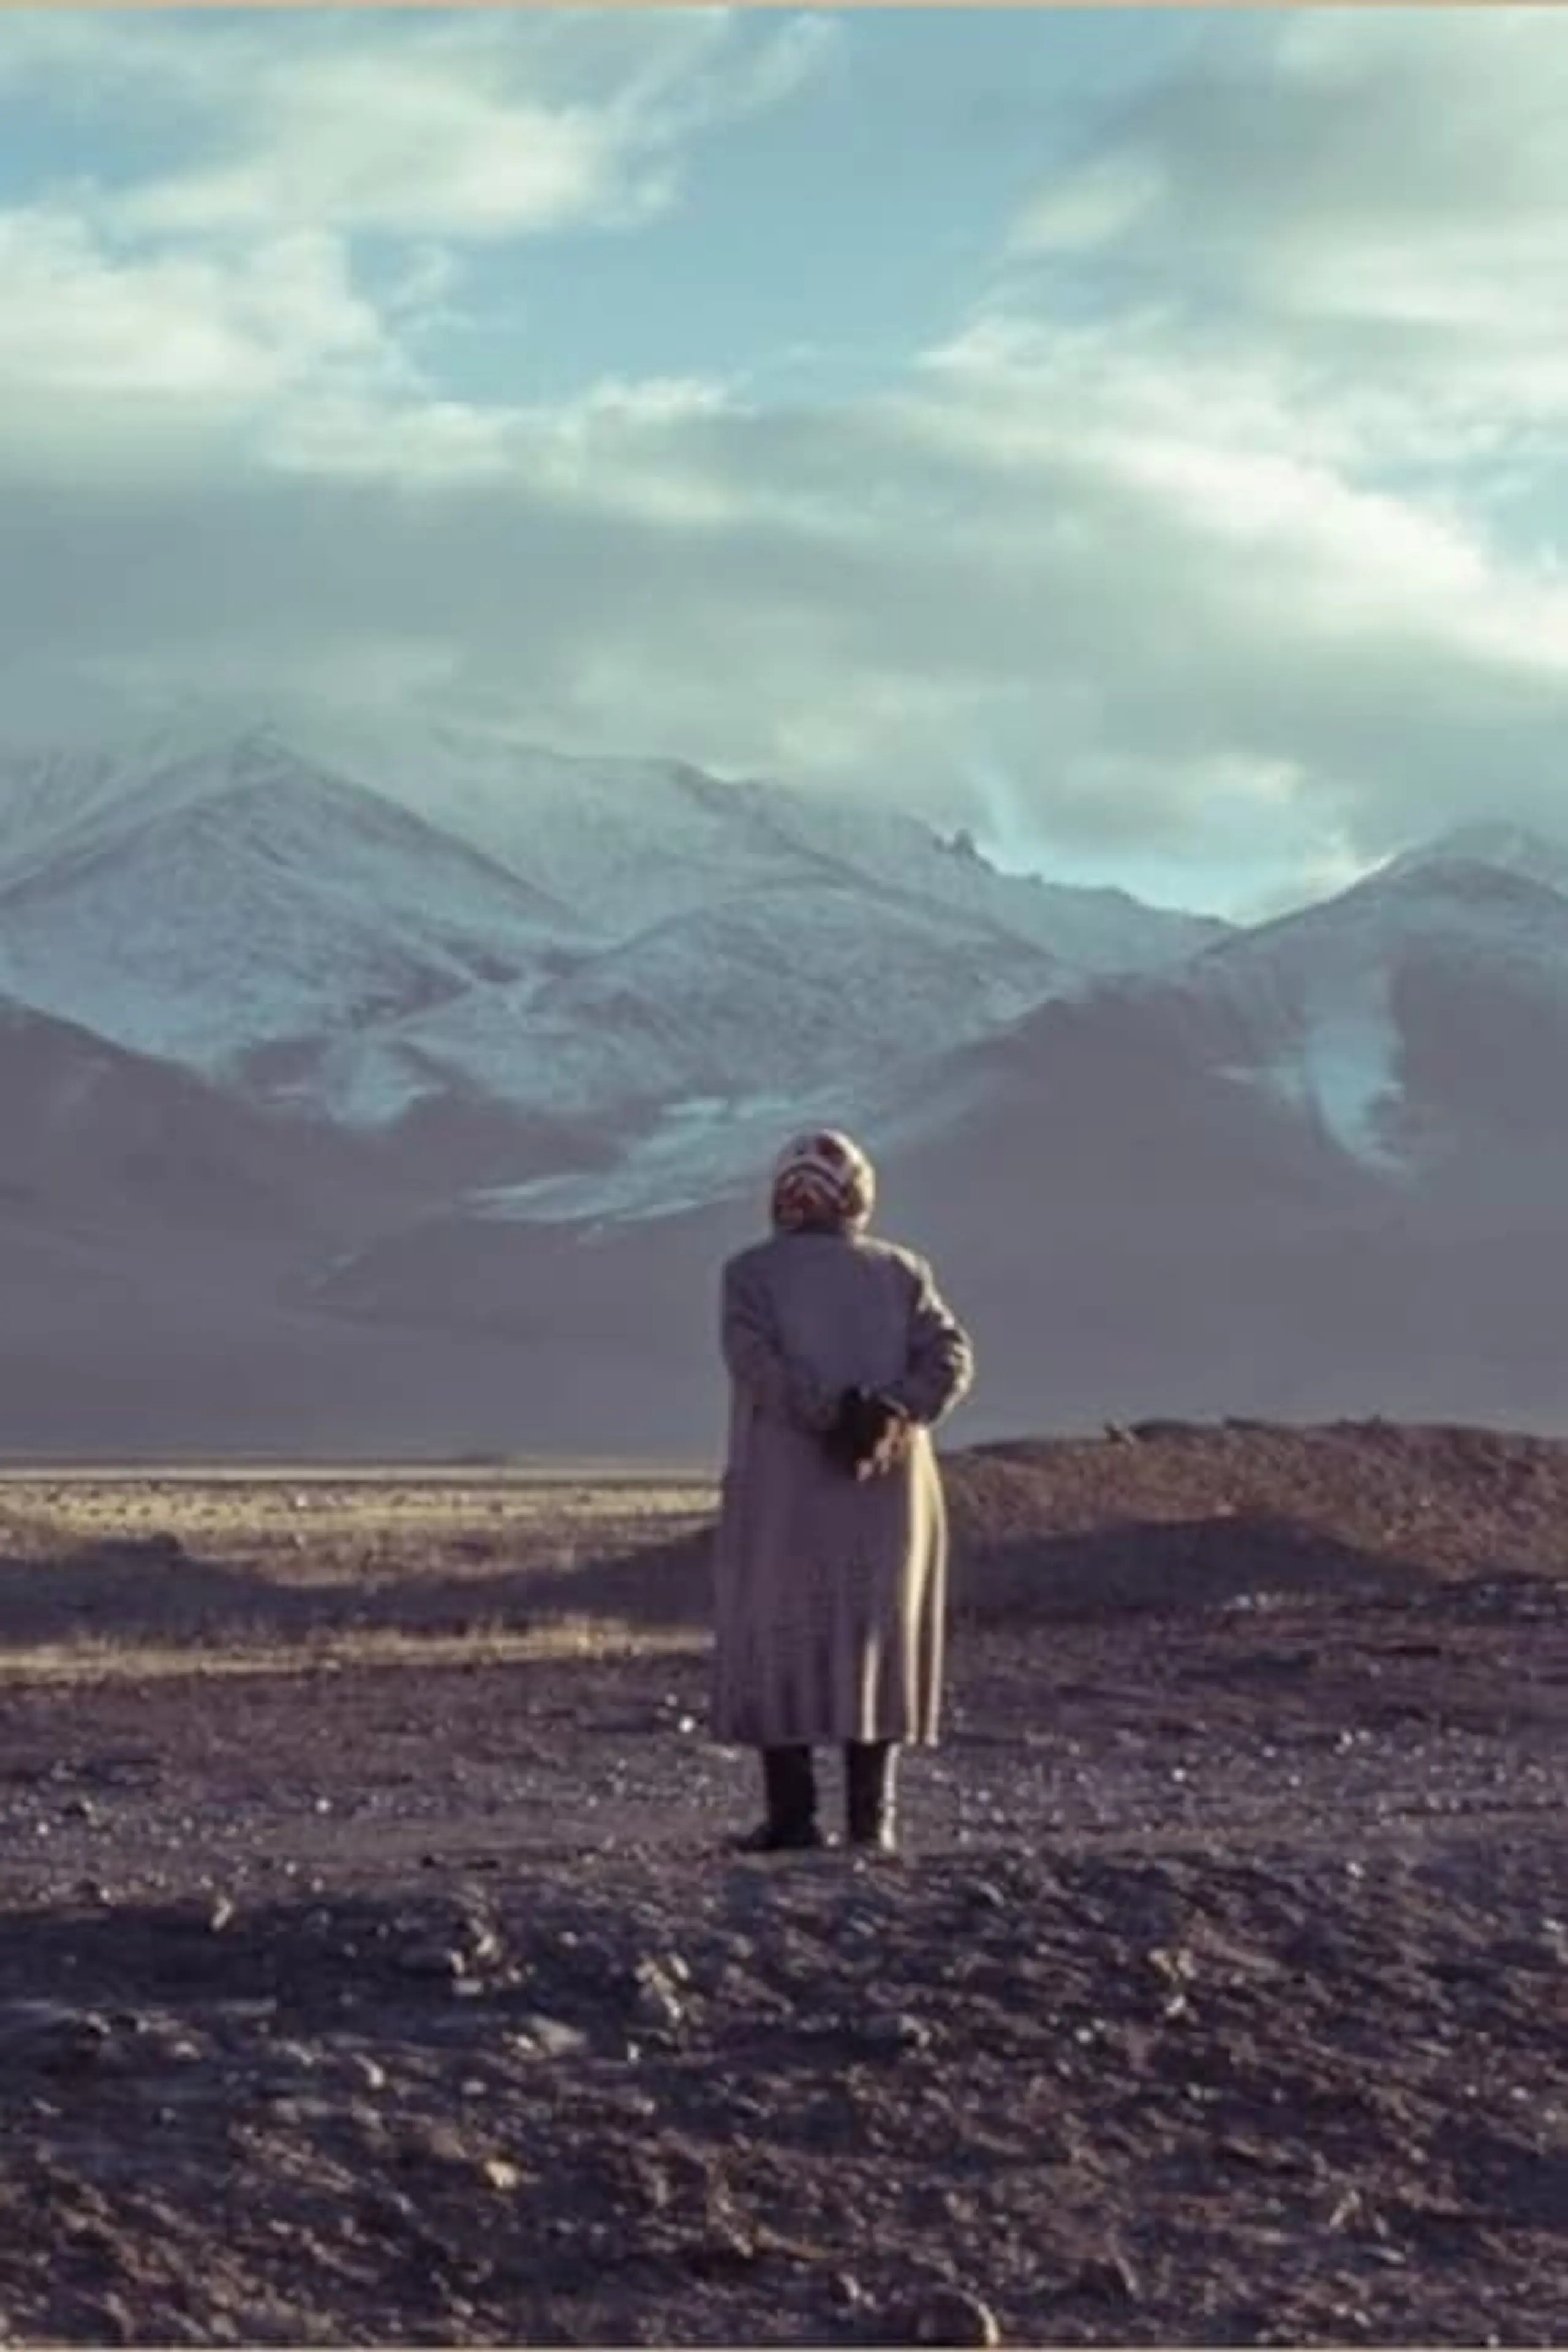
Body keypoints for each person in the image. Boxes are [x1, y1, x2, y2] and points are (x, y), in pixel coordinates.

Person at [711, 1128, 975, 1856]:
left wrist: (832, 1413)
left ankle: (792, 1818)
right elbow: (951, 1358)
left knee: (779, 1633)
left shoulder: (749, 1276)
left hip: (785, 1491)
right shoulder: (904, 1272)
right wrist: (889, 1413)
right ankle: (872, 1821)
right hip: (889, 1491)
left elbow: (753, 1364)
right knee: (877, 1637)